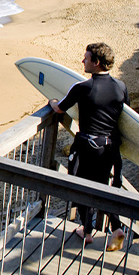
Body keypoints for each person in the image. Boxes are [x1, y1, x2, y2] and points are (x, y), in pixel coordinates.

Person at [49, 43, 128, 251]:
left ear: (97, 62)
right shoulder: (121, 87)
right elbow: (127, 118)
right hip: (109, 148)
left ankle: (87, 230)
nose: (83, 61)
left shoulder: (83, 88)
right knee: (103, 186)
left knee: (82, 187)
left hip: (86, 147)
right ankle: (117, 227)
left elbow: (59, 108)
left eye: (86, 58)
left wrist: (52, 100)